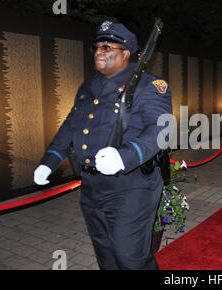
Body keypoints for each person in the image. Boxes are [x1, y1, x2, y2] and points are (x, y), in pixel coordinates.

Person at [33, 21, 172, 269]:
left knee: (130, 257)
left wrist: (125, 156)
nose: (99, 51)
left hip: (132, 187)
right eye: (97, 46)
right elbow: (70, 126)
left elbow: (162, 129)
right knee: (105, 254)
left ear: (126, 53)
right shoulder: (88, 87)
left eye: (107, 46)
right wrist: (50, 160)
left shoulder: (148, 85)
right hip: (91, 187)